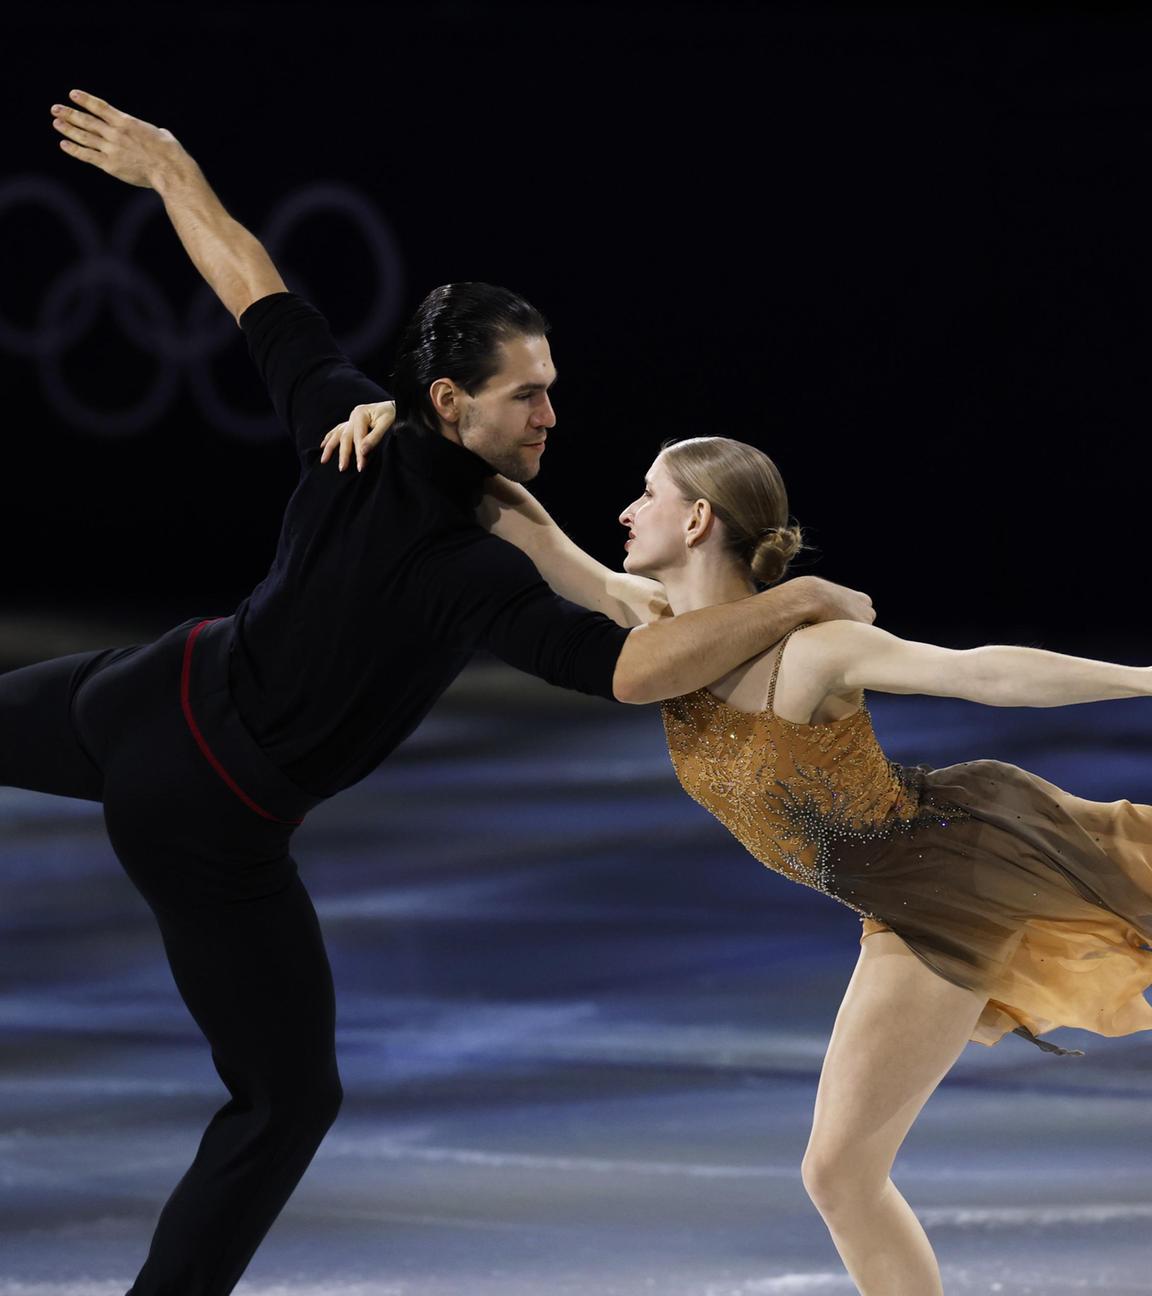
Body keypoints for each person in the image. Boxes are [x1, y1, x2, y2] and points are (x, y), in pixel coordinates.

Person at [24, 90, 878, 1295]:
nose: (551, 413)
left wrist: (171, 173)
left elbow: (254, 290)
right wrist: (795, 601)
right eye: (527, 394)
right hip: (205, 812)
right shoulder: (457, 568)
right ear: (448, 402)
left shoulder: (352, 427)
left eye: (549, 386)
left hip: (143, 691)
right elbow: (626, 673)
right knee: (287, 1101)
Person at [335, 415, 1152, 1296]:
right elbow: (532, 528)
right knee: (840, 1176)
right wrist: (408, 428)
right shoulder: (652, 626)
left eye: (647, 492)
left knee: (838, 1174)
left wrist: (1146, 681)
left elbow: (982, 673)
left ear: (696, 521)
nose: (624, 510)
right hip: (893, 903)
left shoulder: (811, 652)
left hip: (952, 879)